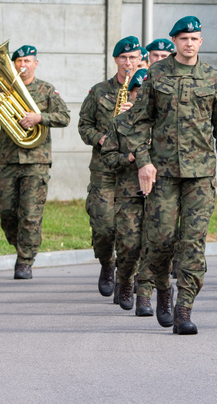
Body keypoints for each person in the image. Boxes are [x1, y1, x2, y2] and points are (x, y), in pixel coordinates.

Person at [132, 16, 217, 334]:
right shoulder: (156, 74)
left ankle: (184, 308)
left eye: (194, 38)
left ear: (201, 42)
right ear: (175, 42)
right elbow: (139, 121)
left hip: (199, 175)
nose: (189, 43)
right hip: (163, 173)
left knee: (192, 243)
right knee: (161, 241)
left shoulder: (213, 78)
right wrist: (143, 161)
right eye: (183, 38)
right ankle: (163, 288)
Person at [0, 45, 70, 279]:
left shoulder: (46, 89)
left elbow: (65, 117)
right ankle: (21, 244)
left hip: (36, 162)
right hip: (8, 161)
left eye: (27, 61)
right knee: (4, 208)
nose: (23, 65)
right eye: (19, 61)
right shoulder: (4, 88)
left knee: (31, 213)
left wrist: (40, 117)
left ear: (35, 64)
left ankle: (25, 260)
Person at [78, 36, 143, 296]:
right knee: (103, 226)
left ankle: (128, 278)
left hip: (136, 169)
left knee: (134, 230)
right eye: (123, 58)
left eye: (133, 58)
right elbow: (84, 126)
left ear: (140, 59)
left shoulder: (150, 90)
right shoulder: (99, 91)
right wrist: (101, 138)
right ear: (116, 60)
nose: (128, 63)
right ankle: (107, 263)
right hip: (105, 168)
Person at [100, 68, 165, 318]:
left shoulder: (164, 123)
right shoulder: (120, 122)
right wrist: (128, 158)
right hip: (128, 193)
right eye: (137, 92)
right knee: (128, 246)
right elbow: (107, 157)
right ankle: (125, 280)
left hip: (159, 194)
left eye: (146, 93)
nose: (141, 97)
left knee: (155, 245)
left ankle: (145, 295)